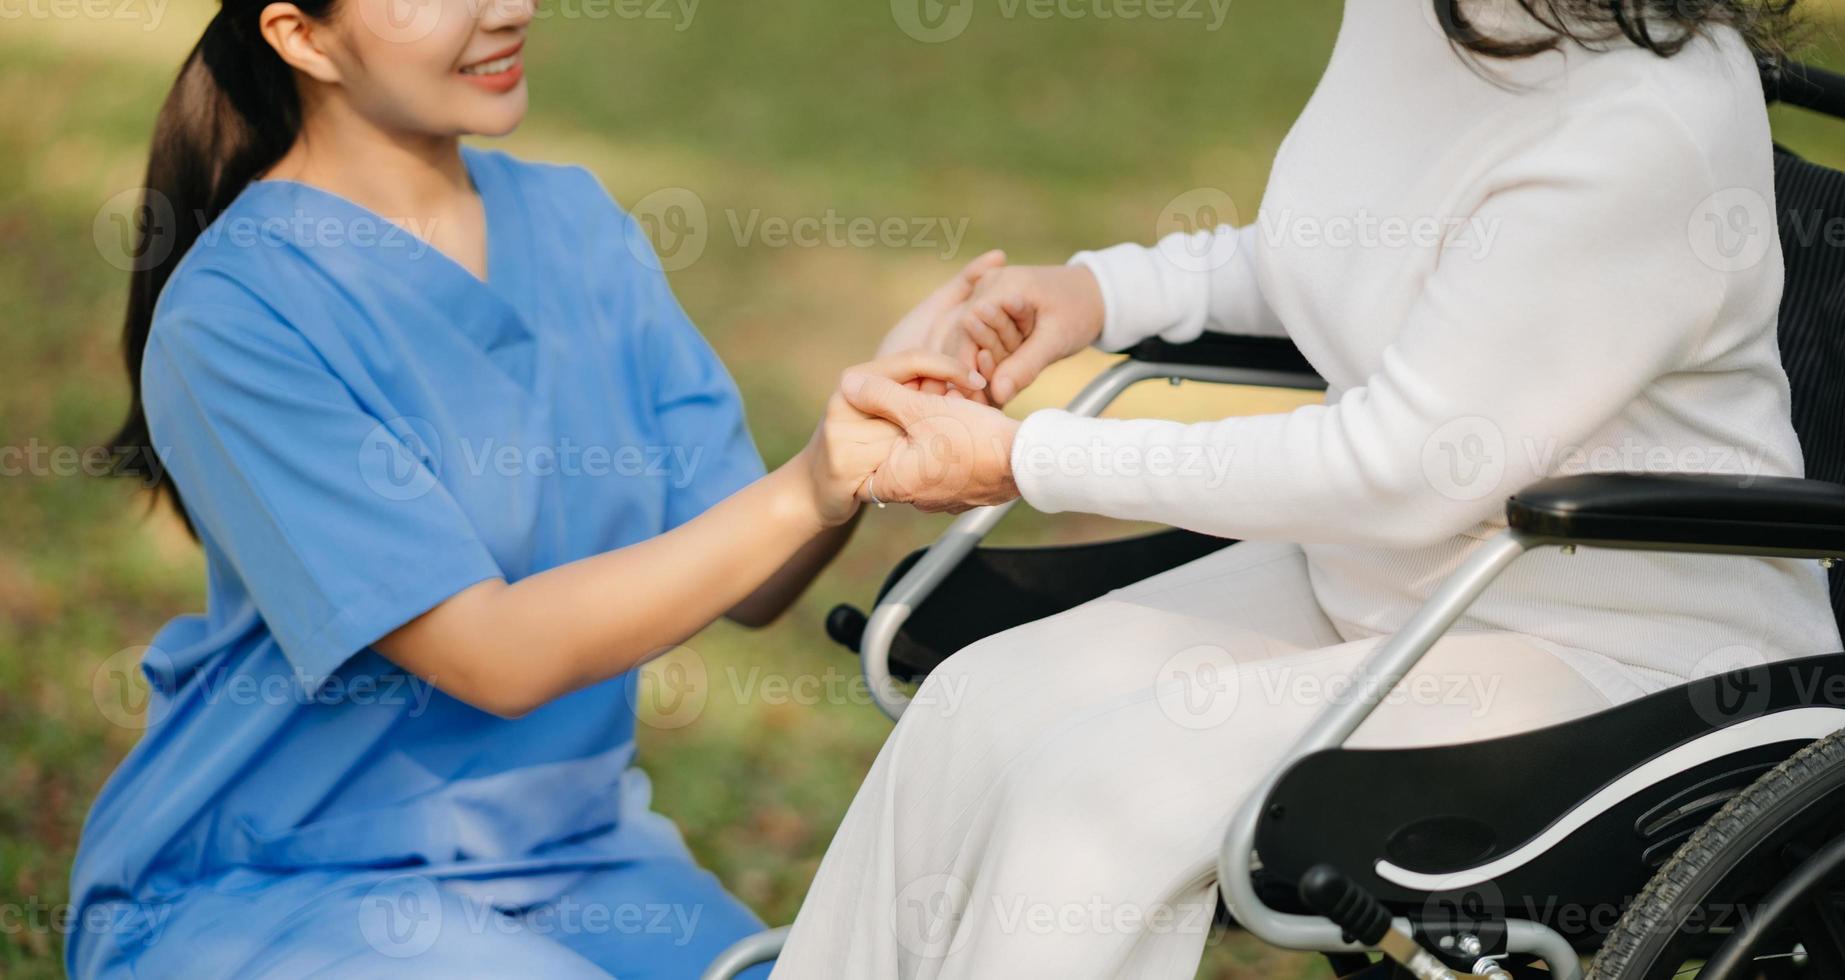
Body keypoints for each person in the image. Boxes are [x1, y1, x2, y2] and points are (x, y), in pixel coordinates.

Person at [772, 1, 1845, 977]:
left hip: (1628, 655)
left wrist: (1021, 459)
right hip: (1407, 577)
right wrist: (1098, 290)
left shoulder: (1647, 124)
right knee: (974, 708)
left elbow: (1396, 468)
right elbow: (1332, 244)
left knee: (1103, 794)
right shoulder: (1425, 16)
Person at [67, 0, 996, 976]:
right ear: (300, 36)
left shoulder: (577, 224)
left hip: (579, 862)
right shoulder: (239, 312)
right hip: (280, 887)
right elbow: (492, 654)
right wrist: (808, 485)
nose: (509, 9)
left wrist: (871, 426)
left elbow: (752, 579)